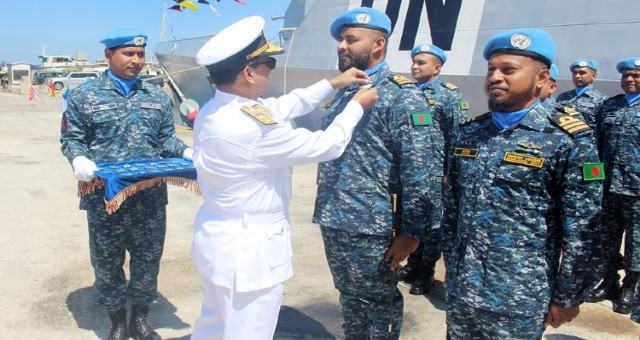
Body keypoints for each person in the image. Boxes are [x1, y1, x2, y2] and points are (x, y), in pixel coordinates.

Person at [190, 15, 378, 339]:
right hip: (249, 256)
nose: (271, 69)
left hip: (218, 242)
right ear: (249, 72)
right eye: (269, 62)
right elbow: (328, 144)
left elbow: (282, 106)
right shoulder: (251, 129)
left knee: (213, 324)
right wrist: (357, 106)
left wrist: (334, 83)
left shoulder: (218, 109)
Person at [442, 28, 604, 339]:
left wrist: (568, 296)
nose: (496, 77)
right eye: (491, 69)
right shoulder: (470, 133)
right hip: (463, 289)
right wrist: (452, 265)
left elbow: (583, 228)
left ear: (542, 78)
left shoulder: (568, 139)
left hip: (519, 297)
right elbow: (452, 211)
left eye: (509, 70)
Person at [312, 7, 438, 339]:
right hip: (335, 217)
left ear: (378, 44)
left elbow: (422, 170)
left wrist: (411, 233)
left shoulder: (401, 95)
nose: (342, 45)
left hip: (375, 226)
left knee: (379, 302)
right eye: (340, 39)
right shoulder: (345, 91)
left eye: (351, 39)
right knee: (350, 298)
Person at [60, 28, 192, 340]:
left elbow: (165, 141)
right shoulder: (83, 95)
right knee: (107, 262)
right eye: (128, 54)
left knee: (147, 258)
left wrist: (186, 151)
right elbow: (72, 139)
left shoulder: (157, 97)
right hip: (105, 197)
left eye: (140, 55)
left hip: (149, 196)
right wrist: (78, 159)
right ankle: (118, 320)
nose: (136, 60)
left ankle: (141, 318)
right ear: (109, 55)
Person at [398, 43, 469, 295]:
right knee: (410, 220)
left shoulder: (450, 95)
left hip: (436, 174)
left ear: (437, 68)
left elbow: (459, 137)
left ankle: (425, 272)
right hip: (409, 174)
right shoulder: (404, 93)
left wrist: (451, 171)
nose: (415, 67)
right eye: (414, 62)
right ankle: (412, 264)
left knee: (433, 225)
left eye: (421, 63)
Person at [590, 57, 640, 314]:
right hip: (608, 187)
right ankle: (609, 281)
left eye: (636, 75)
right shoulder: (609, 107)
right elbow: (595, 148)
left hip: (637, 191)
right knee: (606, 239)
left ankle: (631, 286)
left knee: (637, 242)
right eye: (627, 75)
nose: (630, 80)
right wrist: (592, 180)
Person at [556, 58, 607, 128]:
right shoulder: (563, 97)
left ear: (594, 75)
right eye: (574, 73)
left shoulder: (601, 100)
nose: (577, 76)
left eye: (582, 73)